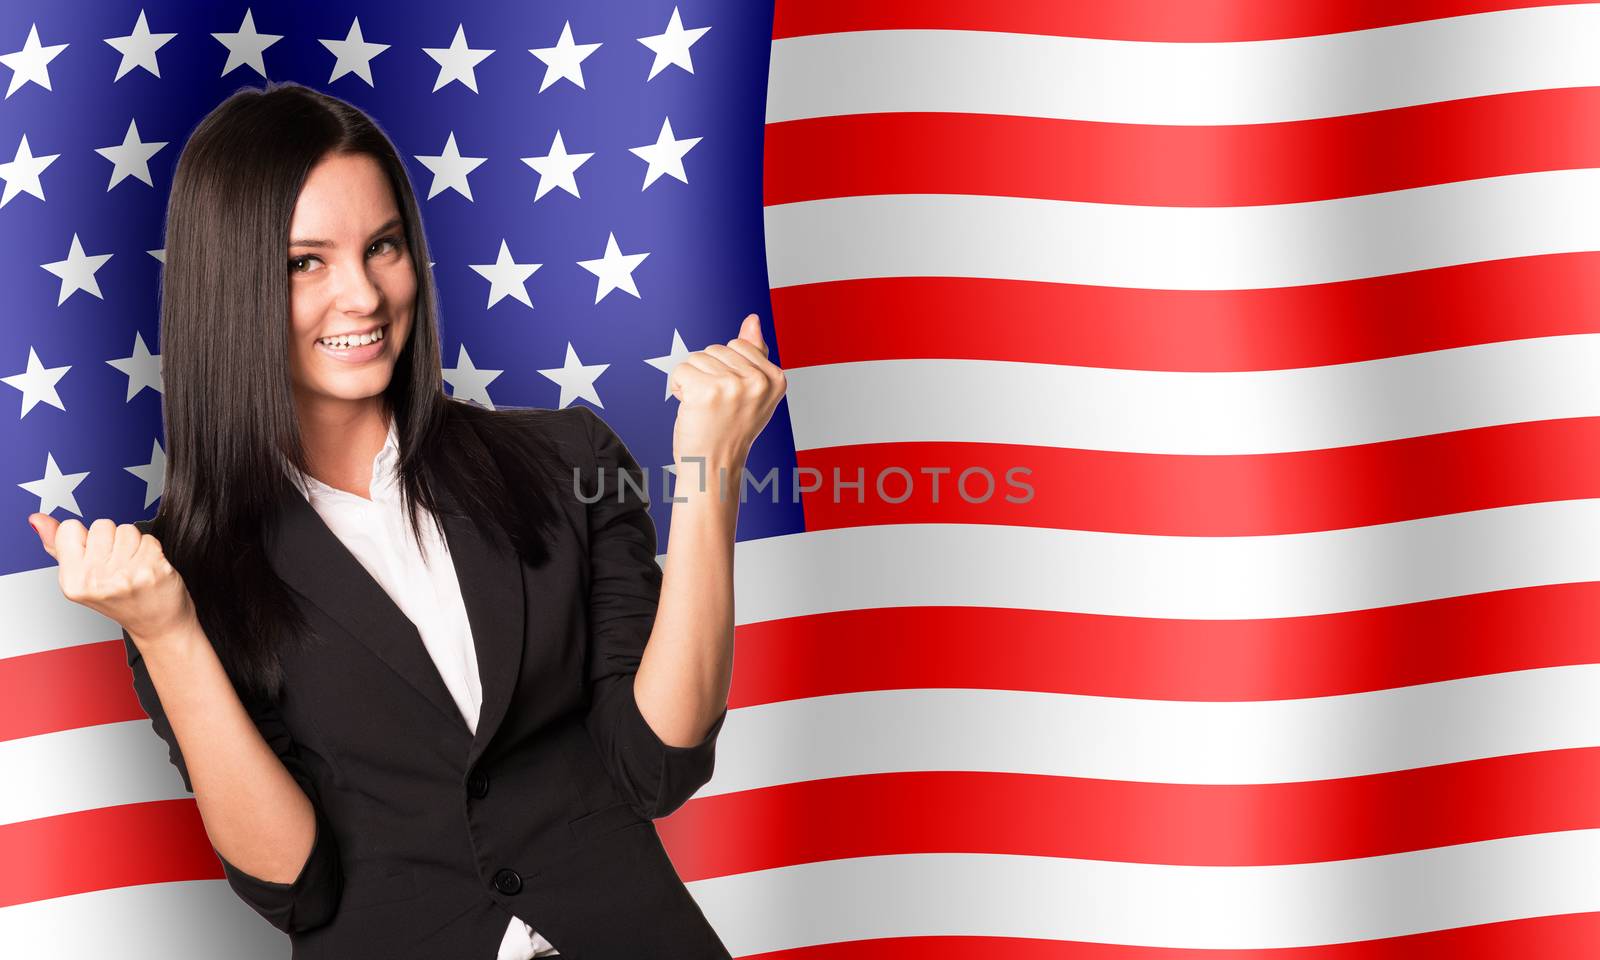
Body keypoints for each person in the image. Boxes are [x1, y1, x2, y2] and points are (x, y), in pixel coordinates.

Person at [25, 81, 784, 959]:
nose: (362, 296)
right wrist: (168, 633)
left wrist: (708, 474)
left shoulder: (568, 458)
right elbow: (292, 886)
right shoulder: (178, 570)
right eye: (302, 262)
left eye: (381, 246)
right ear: (228, 284)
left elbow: (656, 763)